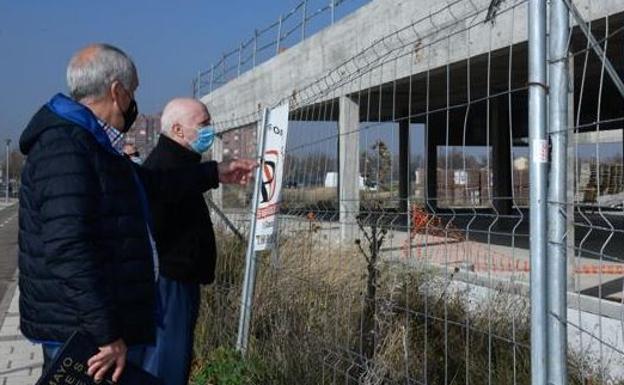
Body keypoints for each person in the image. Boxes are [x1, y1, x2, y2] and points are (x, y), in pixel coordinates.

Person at [17, 43, 256, 383]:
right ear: (117, 91)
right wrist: (106, 333)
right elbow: (67, 248)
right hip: (81, 334)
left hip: (89, 327)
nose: (134, 103)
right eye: (133, 92)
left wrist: (215, 172)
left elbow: (151, 183)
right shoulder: (65, 148)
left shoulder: (94, 145)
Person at [142, 98, 222, 385]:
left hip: (179, 282)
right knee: (167, 365)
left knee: (173, 361)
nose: (209, 130)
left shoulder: (179, 164)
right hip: (170, 284)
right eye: (203, 124)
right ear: (177, 129)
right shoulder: (164, 168)